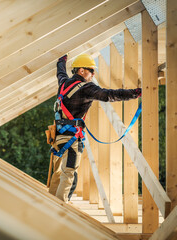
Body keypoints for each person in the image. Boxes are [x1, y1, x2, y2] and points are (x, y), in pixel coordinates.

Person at [48, 53, 141, 202]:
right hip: (72, 140)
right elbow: (108, 95)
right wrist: (135, 93)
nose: (93, 74)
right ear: (82, 71)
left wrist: (61, 60)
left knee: (58, 173)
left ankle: (48, 204)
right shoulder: (86, 88)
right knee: (69, 174)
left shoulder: (64, 83)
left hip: (58, 138)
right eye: (91, 70)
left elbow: (60, 72)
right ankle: (59, 210)